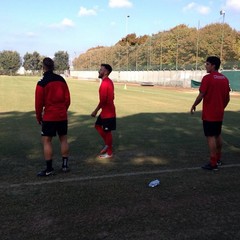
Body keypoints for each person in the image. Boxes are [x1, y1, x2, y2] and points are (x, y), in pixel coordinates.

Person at [190, 56, 230, 171]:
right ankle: (218, 159)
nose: (205, 66)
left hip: (209, 113)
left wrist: (194, 105)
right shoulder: (224, 79)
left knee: (210, 137)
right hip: (219, 113)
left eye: (207, 64)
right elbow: (227, 98)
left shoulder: (207, 78)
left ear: (213, 65)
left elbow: (201, 95)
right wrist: (221, 107)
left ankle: (213, 163)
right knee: (217, 135)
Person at [35, 57, 71, 176]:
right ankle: (65, 166)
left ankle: (49, 169)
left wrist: (38, 116)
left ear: (43, 67)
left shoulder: (42, 82)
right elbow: (68, 99)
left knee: (46, 141)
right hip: (62, 115)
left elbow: (38, 103)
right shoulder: (61, 79)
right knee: (63, 139)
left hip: (50, 116)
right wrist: (63, 110)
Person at [91, 64, 116, 159]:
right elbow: (112, 96)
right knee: (97, 126)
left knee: (107, 131)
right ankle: (108, 144)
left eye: (101, 70)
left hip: (108, 113)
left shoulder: (106, 83)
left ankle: (109, 152)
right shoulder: (108, 81)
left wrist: (95, 111)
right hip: (105, 111)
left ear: (105, 72)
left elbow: (103, 100)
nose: (99, 71)